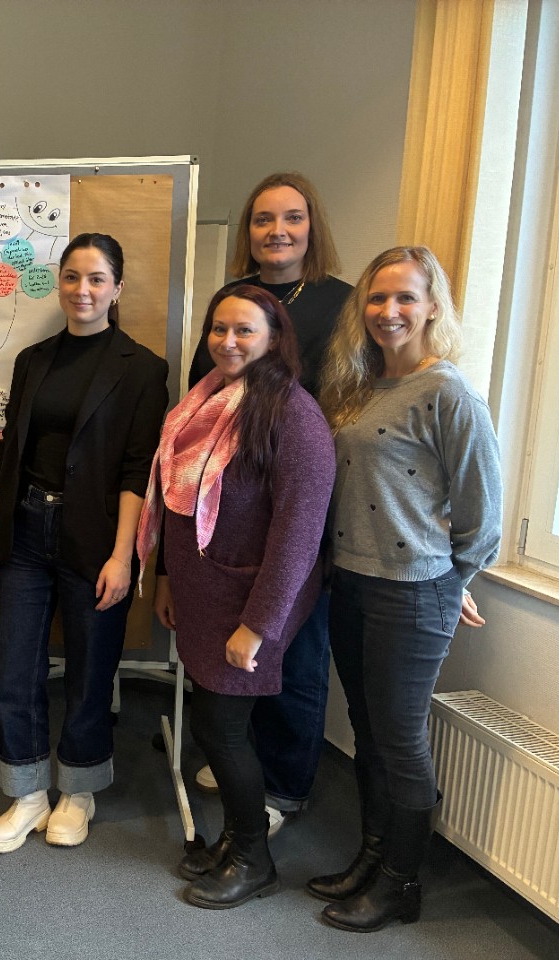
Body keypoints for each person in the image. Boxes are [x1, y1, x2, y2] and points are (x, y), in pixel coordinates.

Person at [313, 246, 502, 931]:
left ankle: (402, 881)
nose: (389, 311)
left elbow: (484, 517)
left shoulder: (447, 391)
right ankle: (372, 855)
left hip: (412, 594)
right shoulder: (358, 387)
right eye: (376, 298)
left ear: (431, 307)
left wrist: (453, 584)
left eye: (405, 298)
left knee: (401, 740)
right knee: (369, 734)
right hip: (354, 583)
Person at [136, 286, 335, 908]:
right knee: (216, 725)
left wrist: (258, 626)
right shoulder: (207, 401)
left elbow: (298, 539)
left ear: (275, 338)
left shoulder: (292, 416)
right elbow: (177, 506)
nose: (228, 342)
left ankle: (254, 858)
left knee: (222, 731)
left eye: (245, 331)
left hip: (245, 605)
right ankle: (234, 841)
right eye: (218, 329)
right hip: (204, 596)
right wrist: (167, 577)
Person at [0, 232, 168, 853]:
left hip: (94, 534)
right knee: (15, 663)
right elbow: (11, 455)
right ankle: (27, 791)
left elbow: (140, 469)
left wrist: (123, 554)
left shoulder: (143, 368)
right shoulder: (33, 360)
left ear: (117, 287)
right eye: (72, 277)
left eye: (96, 279)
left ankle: (78, 789)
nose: (82, 290)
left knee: (90, 668)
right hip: (26, 529)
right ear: (58, 283)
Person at [187, 171, 353, 829]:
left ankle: (284, 784)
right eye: (262, 219)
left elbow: (345, 398)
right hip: (235, 504)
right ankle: (244, 758)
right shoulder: (234, 298)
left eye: (291, 218)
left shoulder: (340, 302)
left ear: (312, 227)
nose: (276, 231)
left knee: (292, 645)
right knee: (242, 643)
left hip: (301, 492)